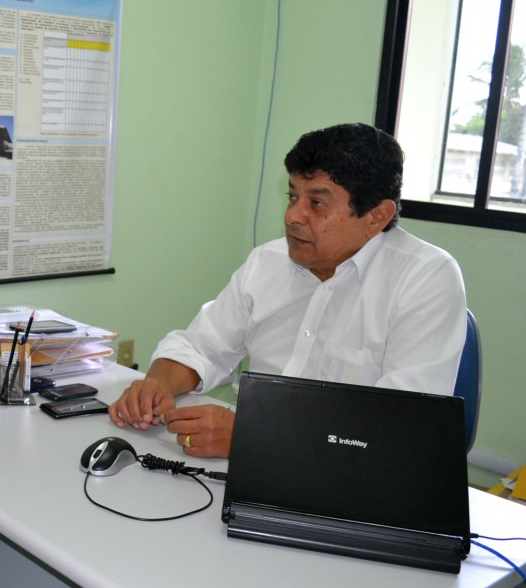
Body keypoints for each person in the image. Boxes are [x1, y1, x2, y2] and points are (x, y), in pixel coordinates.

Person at [108, 123, 466, 459]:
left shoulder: (426, 278)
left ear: (377, 216)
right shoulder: (269, 261)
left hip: (348, 478)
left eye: (317, 203)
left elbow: (400, 426)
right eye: (292, 196)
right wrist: (157, 385)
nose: (292, 216)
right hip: (247, 465)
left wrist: (254, 436)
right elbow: (201, 345)